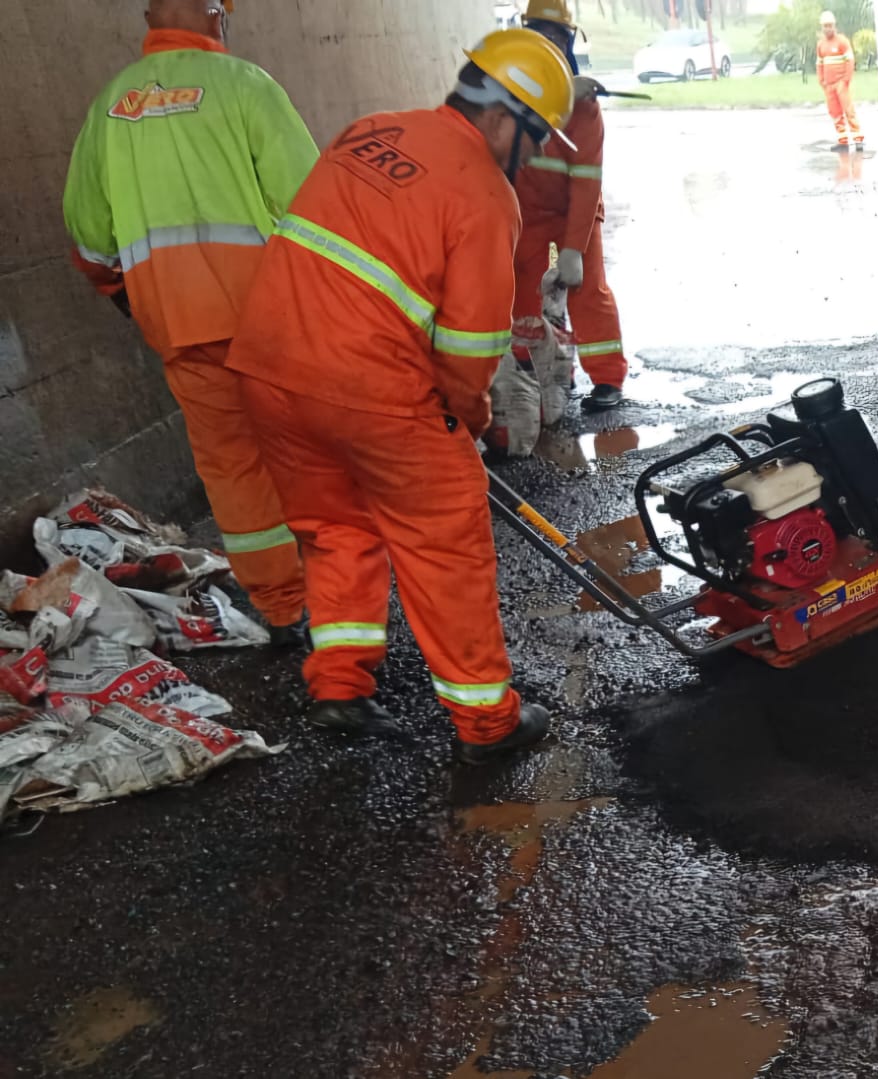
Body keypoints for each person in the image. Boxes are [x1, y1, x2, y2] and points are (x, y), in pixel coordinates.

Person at [225, 30, 577, 764]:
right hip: (370, 387)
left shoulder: (371, 131)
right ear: (503, 117)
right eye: (537, 135)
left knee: (334, 529)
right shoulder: (485, 194)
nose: (536, 153)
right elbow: (470, 349)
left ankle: (339, 686)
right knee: (445, 547)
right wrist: (468, 418)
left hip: (268, 370)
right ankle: (487, 722)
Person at [63, 0, 316, 645]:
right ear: (216, 14)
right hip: (268, 317)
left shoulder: (111, 104)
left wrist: (121, 291)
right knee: (308, 450)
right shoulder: (246, 85)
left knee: (233, 468)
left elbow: (89, 233)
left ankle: (284, 610)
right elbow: (313, 205)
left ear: (149, 14)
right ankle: (341, 592)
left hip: (178, 322)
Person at [516, 0, 628, 413]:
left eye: (556, 36)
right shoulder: (510, 91)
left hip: (574, 214)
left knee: (588, 292)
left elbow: (585, 182)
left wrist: (573, 248)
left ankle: (608, 378)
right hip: (527, 213)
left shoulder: (585, 109)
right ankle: (534, 370)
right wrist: (558, 93)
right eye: (540, 34)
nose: (548, 43)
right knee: (523, 293)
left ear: (568, 42)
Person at [817, 11, 862, 151]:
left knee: (848, 110)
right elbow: (819, 64)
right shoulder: (821, 45)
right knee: (835, 112)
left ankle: (858, 140)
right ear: (822, 27)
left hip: (841, 83)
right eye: (825, 26)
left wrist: (846, 80)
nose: (828, 29)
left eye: (830, 25)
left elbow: (850, 61)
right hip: (829, 85)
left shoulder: (842, 41)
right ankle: (843, 141)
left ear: (834, 26)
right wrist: (822, 81)